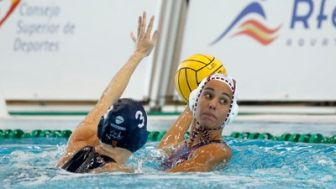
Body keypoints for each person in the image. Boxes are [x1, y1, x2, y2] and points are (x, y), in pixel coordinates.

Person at [57, 12, 158, 173]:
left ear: (100, 127)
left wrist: (138, 54)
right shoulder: (118, 171)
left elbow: (107, 98)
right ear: (141, 141)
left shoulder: (79, 141)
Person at [158, 73, 238, 172]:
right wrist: (191, 106)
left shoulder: (219, 150)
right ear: (195, 100)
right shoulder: (183, 146)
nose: (212, 104)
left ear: (230, 114)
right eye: (208, 95)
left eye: (223, 101)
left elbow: (194, 166)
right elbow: (163, 150)